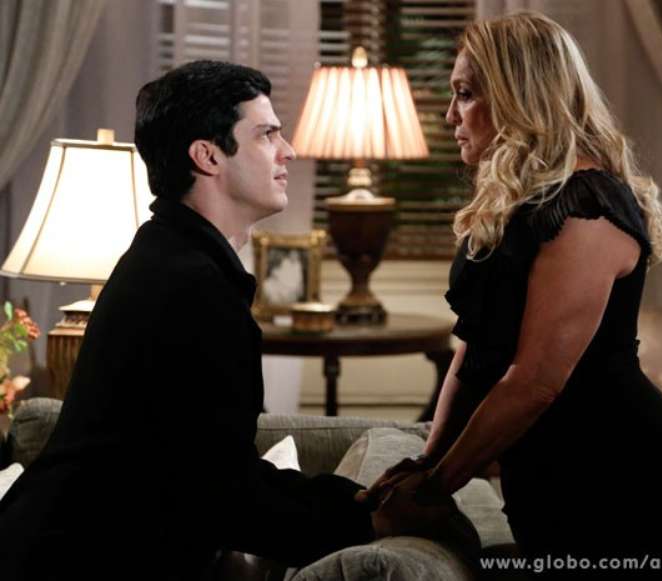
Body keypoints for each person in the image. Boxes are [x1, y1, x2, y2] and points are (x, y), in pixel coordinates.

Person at [0, 60, 447, 581]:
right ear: (208, 156)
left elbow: (216, 468)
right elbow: (220, 496)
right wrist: (365, 520)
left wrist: (357, 501)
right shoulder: (189, 285)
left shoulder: (174, 258)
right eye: (266, 135)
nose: (288, 151)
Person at [362, 11, 662, 580]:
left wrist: (438, 486)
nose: (450, 116)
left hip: (608, 461)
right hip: (544, 459)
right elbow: (473, 349)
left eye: (465, 94)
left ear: (520, 97)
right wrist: (427, 461)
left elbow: (536, 380)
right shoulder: (520, 203)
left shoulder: (586, 207)